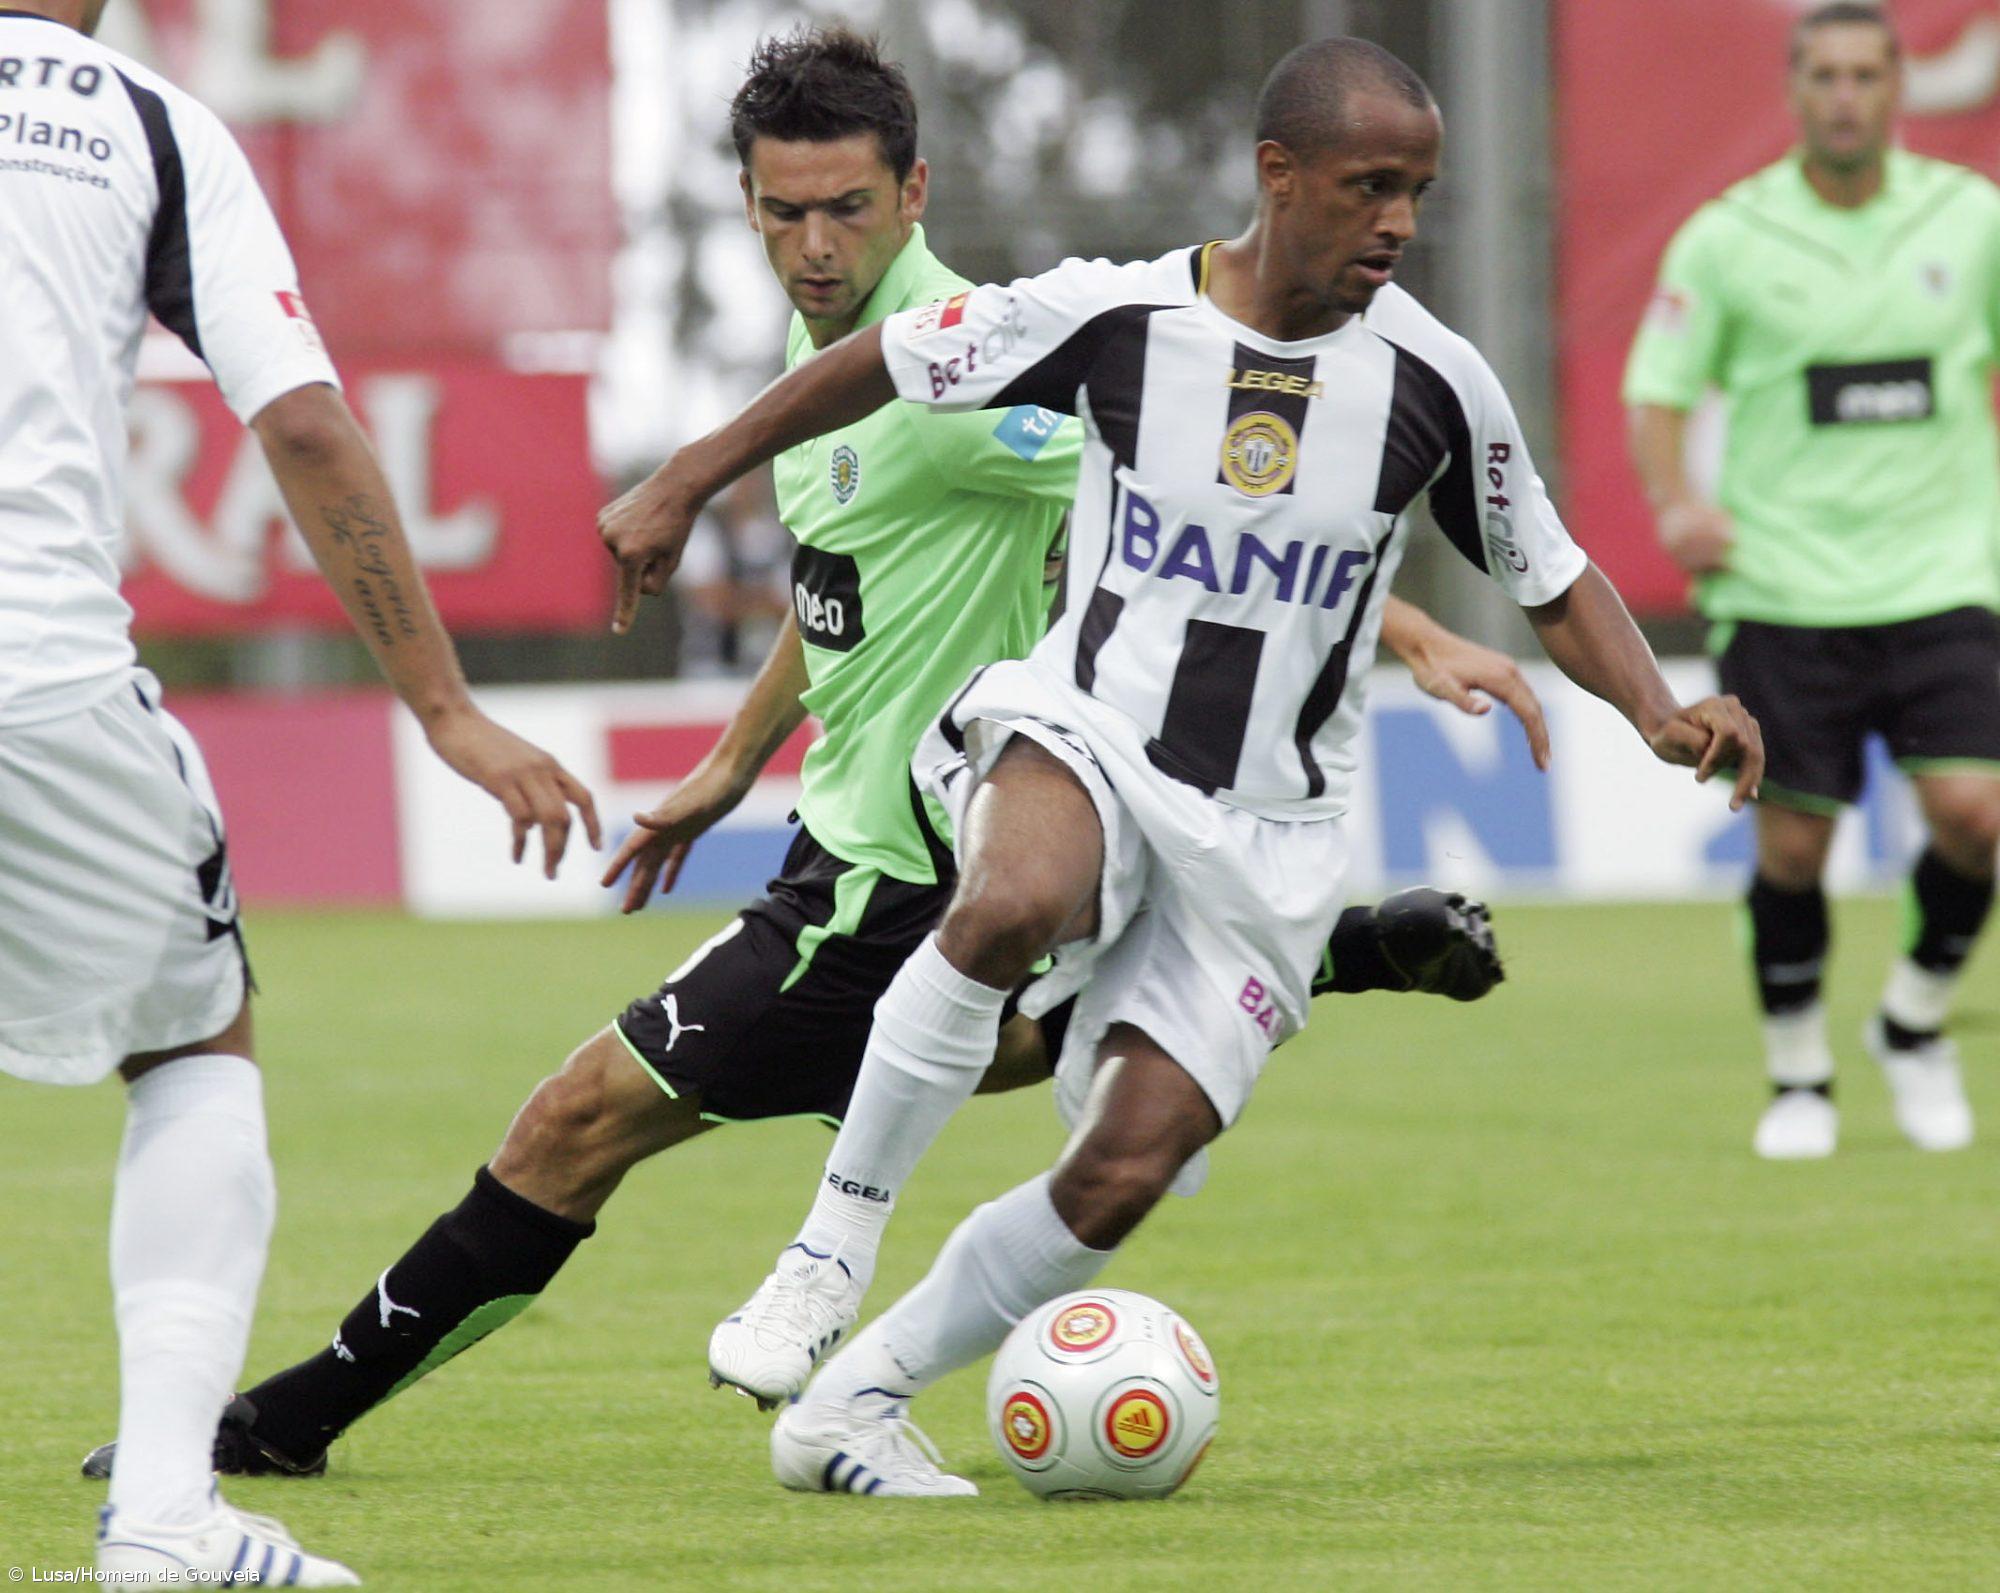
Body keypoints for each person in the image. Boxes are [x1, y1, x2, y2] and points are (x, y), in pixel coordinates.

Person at [80, 26, 1535, 1490]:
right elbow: (847, 574)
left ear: (918, 191)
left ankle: (280, 1424)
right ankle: (1319, 962)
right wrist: (732, 757)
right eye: (783, 213)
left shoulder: (969, 374)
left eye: (847, 209)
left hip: (908, 863)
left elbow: (1229, 496)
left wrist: (1409, 629)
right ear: (748, 200)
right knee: (984, 1053)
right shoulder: (820, 354)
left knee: (578, 1120)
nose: (814, 246)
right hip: (870, 844)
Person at [598, 35, 1764, 1495]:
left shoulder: (1436, 383)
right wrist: (682, 477)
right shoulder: (1115, 315)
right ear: (1279, 177)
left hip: (1266, 834)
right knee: (1014, 898)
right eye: (1370, 187)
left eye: (1419, 190)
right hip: (1081, 726)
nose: (1401, 220)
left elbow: (1553, 574)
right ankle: (826, 1249)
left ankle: (855, 1402)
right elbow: (883, 364)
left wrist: (1657, 710)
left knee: (1125, 1169)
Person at [1, 0, 599, 1580]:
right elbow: (310, 427)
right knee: (195, 1043)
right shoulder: (147, 122)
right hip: (37, 677)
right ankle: (167, 1519)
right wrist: (448, 709)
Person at [1625, 1, 2000, 1161]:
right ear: (1794, 92)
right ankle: (1797, 1076)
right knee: (1791, 852)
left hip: (1942, 574)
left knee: (1973, 816)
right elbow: (1658, 387)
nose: (1844, 95)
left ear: (1900, 89)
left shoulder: (1971, 218)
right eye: (1823, 76)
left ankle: (1911, 1024)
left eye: (1863, 75)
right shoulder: (1727, 237)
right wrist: (1675, 506)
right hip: (1784, 589)